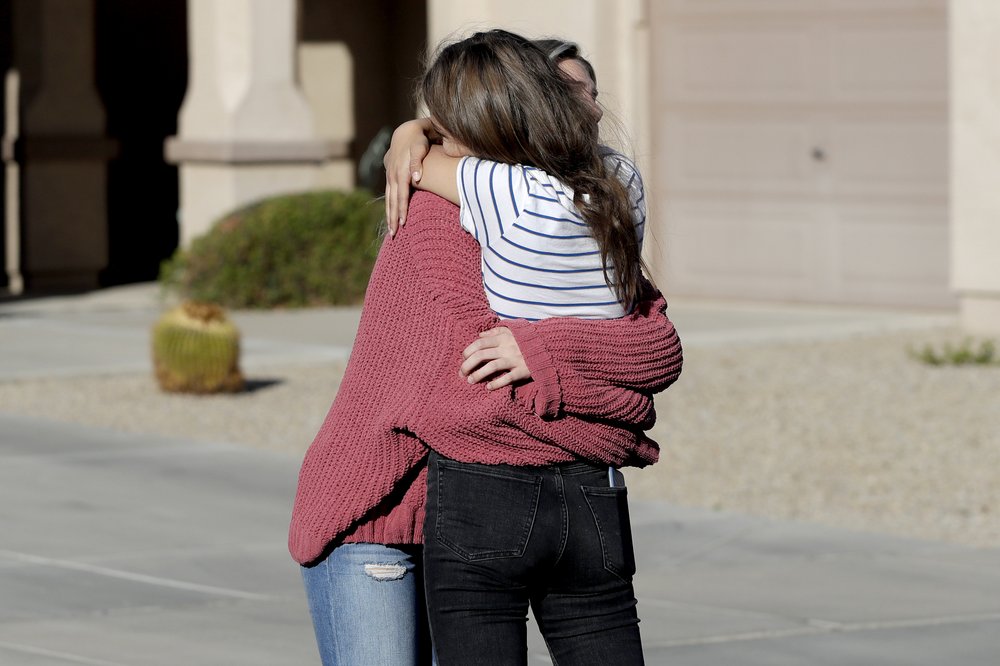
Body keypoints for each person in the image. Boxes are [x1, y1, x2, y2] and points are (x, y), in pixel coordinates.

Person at [290, 32, 682, 666]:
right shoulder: (438, 220)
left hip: (482, 510)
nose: (586, 111)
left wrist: (545, 350)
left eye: (590, 93)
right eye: (564, 94)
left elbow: (658, 343)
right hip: (384, 516)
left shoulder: (569, 221)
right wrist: (615, 425)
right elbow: (475, 398)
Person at [384, 30, 660, 665]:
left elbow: (423, 157)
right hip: (594, 486)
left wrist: (410, 130)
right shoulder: (620, 183)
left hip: (487, 481)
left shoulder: (500, 193)